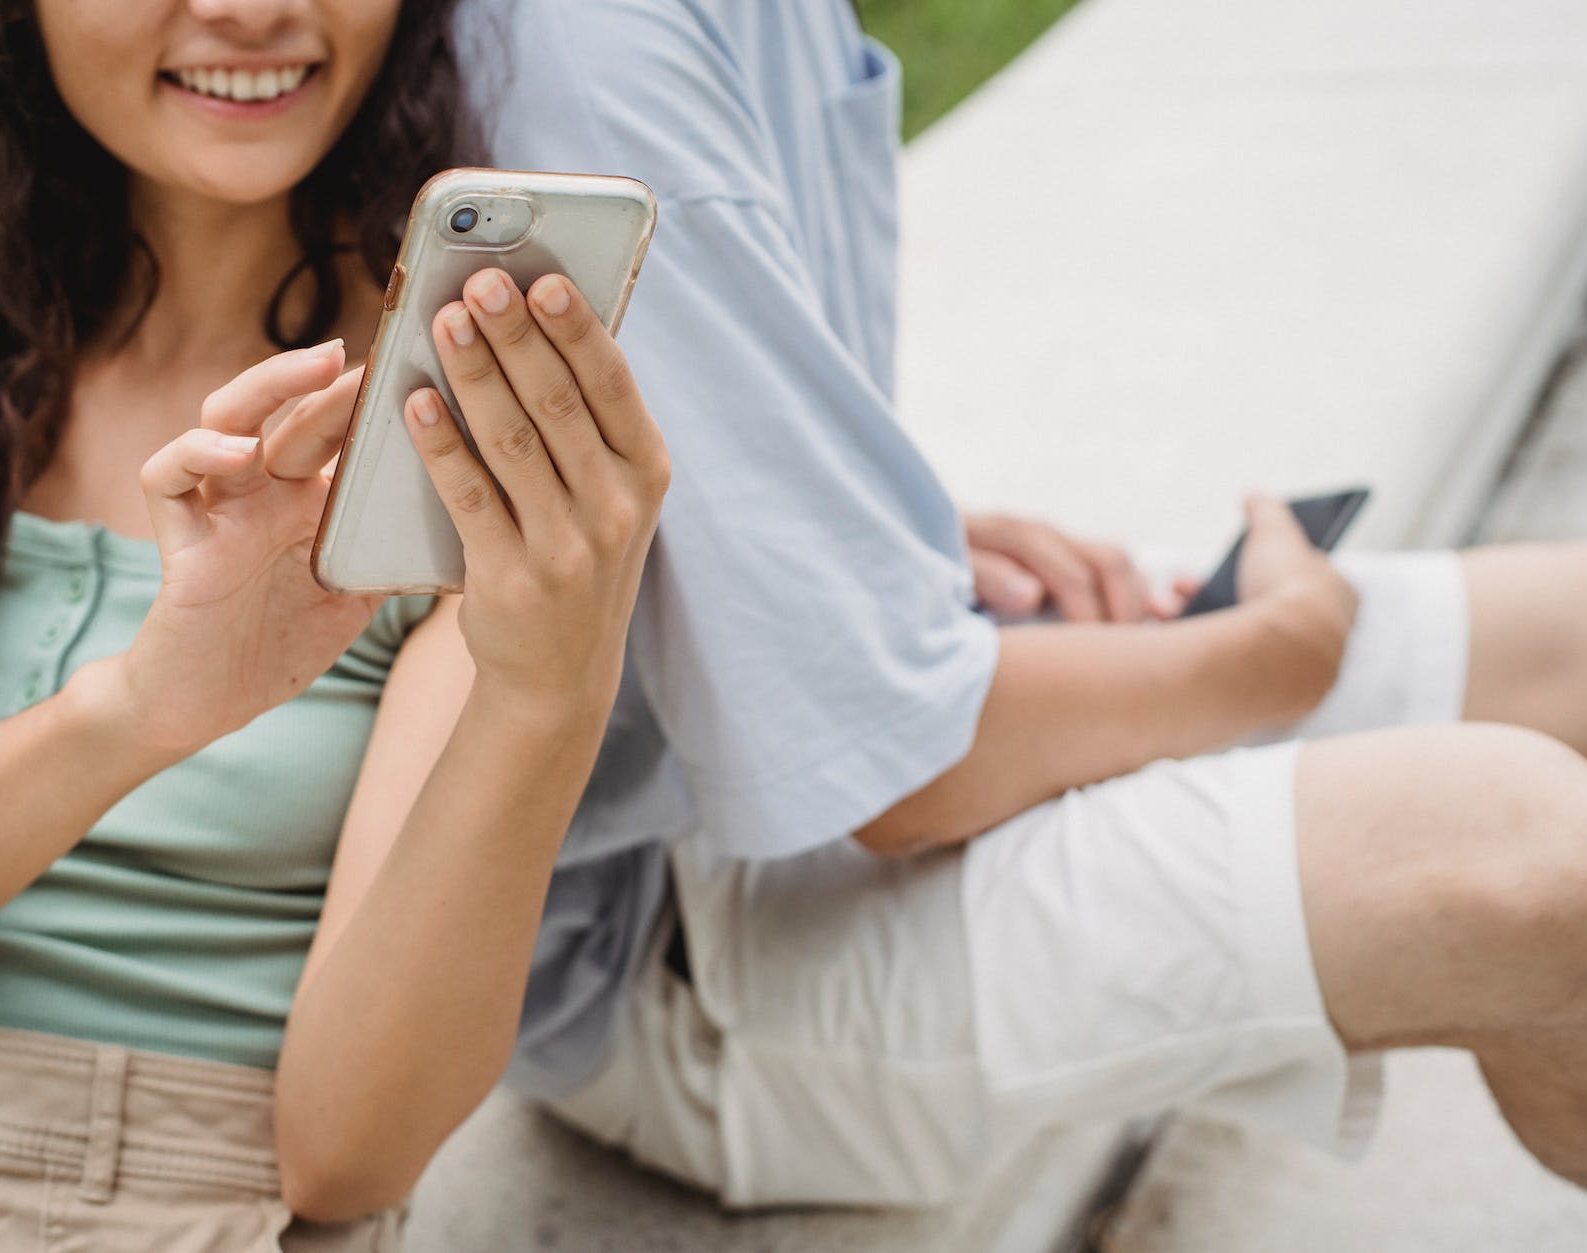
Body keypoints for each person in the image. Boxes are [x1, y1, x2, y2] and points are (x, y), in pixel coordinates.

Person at [423, 0, 1587, 1210]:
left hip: (781, 761)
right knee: (1533, 865)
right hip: (672, 952)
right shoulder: (592, 53)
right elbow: (902, 773)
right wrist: (1279, 657)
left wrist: (856, 535)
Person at [0, 1, 669, 1248]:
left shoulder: (447, 432)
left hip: (201, 1209)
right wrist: (141, 707)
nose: (253, 9)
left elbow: (343, 1155)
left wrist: (549, 691)